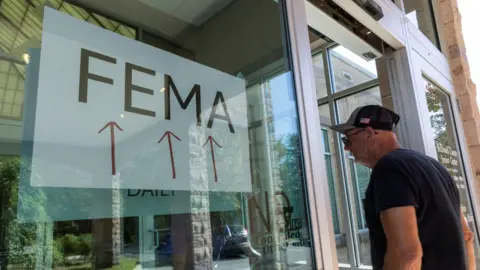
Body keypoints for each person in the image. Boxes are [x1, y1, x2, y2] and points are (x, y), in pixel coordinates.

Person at [330, 105, 475, 270]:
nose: (346, 147)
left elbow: (406, 254)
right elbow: (466, 236)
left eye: (347, 139)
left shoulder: (388, 168)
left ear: (369, 133)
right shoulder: (435, 167)